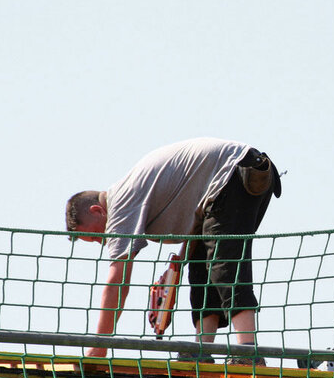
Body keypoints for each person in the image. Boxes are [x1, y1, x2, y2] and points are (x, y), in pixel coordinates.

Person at [65, 137, 281, 362]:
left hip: (234, 172)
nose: (102, 242)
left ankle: (248, 351)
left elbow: (117, 282)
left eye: (95, 236)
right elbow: (198, 220)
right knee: (201, 269)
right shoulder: (128, 195)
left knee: (225, 264)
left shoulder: (119, 203)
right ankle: (202, 350)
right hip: (230, 181)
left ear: (97, 210)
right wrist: (175, 269)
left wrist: (98, 347)